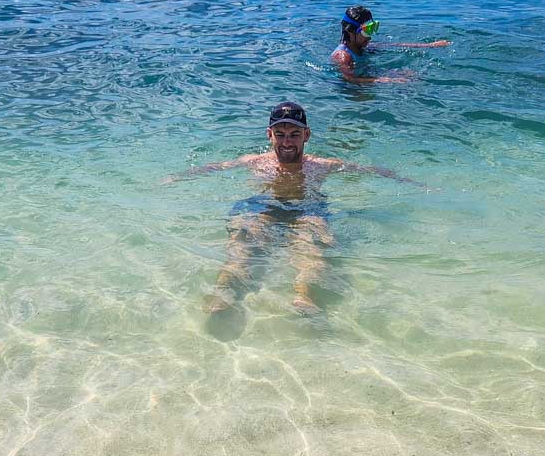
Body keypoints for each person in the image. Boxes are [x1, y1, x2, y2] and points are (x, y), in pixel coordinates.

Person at [168, 101, 425, 319]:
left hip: (307, 209)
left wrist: (413, 183)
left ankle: (305, 298)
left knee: (312, 244)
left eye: (294, 134)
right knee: (243, 243)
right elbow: (214, 167)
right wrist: (174, 179)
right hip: (263, 207)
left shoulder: (321, 166)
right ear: (269, 135)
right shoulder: (254, 162)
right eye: (280, 134)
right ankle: (223, 294)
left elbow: (368, 170)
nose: (287, 141)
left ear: (307, 135)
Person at [330, 5, 450, 85]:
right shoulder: (343, 56)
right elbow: (350, 79)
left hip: (365, 74)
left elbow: (394, 45)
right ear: (351, 31)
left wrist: (430, 45)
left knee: (410, 75)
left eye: (373, 28)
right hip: (349, 90)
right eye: (367, 30)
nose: (370, 36)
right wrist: (385, 80)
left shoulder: (361, 46)